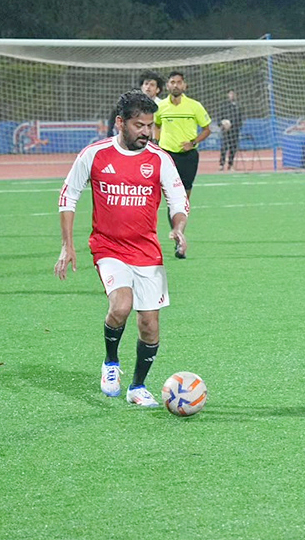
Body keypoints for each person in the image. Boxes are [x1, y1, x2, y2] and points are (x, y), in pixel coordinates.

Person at [54, 89, 189, 408]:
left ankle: (137, 387)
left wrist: (178, 228)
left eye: (150, 126)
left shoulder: (159, 159)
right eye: (139, 125)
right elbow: (68, 196)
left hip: (147, 251)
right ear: (120, 122)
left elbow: (178, 199)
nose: (147, 132)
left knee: (150, 325)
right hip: (108, 247)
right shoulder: (95, 154)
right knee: (121, 306)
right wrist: (67, 245)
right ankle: (111, 362)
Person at [155, 71, 211, 251]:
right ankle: (178, 238)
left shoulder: (194, 106)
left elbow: (207, 129)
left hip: (188, 157)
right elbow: (156, 125)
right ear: (168, 86)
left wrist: (193, 142)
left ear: (184, 85)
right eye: (172, 82)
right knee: (171, 199)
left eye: (179, 82)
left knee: (183, 200)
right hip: (167, 156)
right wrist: (157, 142)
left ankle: (179, 234)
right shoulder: (161, 107)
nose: (176, 85)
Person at [215, 89, 243, 171]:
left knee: (233, 148)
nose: (232, 95)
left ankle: (230, 164)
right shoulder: (224, 106)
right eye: (230, 94)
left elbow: (240, 119)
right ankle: (221, 164)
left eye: (233, 94)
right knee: (224, 147)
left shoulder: (238, 106)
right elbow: (219, 117)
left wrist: (236, 126)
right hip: (225, 131)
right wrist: (222, 124)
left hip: (235, 130)